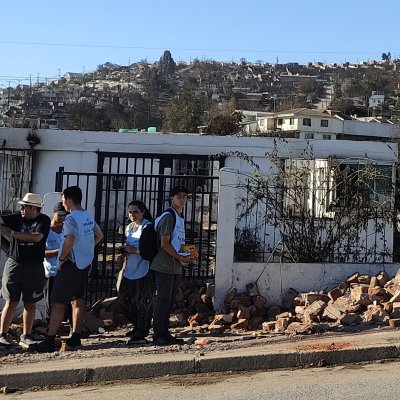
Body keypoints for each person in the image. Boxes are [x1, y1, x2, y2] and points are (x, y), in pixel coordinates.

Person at [36, 186, 103, 352]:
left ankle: (50, 339)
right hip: (84, 264)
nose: (62, 203)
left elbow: (69, 240)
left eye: (63, 199)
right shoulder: (86, 215)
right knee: (78, 301)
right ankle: (76, 337)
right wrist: (86, 248)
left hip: (71, 265)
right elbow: (99, 235)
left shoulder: (71, 219)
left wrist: (61, 258)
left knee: (58, 303)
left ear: (68, 199)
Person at [0, 193, 51, 349]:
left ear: (34, 208)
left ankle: (26, 335)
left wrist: (11, 233)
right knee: (11, 300)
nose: (21, 209)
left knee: (30, 302)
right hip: (15, 263)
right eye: (21, 206)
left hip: (34, 266)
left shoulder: (44, 220)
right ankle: (2, 334)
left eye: (24, 206)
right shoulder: (16, 218)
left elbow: (36, 238)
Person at [151, 185, 197, 346]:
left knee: (169, 301)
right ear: (172, 198)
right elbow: (164, 243)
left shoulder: (178, 216)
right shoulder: (168, 216)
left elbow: (176, 241)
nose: (182, 199)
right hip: (164, 264)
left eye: (185, 196)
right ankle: (158, 335)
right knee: (163, 300)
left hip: (174, 265)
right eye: (179, 196)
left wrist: (187, 253)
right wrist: (179, 257)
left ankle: (165, 333)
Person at [117, 200, 155, 345]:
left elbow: (150, 250)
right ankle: (138, 325)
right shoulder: (129, 228)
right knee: (123, 300)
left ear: (142, 212)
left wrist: (135, 250)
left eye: (135, 212)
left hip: (144, 268)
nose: (132, 215)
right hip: (130, 268)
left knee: (144, 301)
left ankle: (141, 331)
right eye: (130, 212)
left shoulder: (148, 228)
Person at [43, 202, 68, 317]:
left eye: (64, 215)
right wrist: (60, 251)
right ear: (53, 213)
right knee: (51, 302)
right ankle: (51, 326)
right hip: (51, 271)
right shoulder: (46, 230)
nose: (62, 218)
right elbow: (42, 253)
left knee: (65, 301)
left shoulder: (67, 229)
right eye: (59, 215)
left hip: (65, 270)